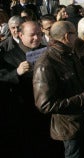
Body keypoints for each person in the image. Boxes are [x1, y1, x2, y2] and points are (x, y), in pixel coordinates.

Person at [33, 21, 84, 158]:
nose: (77, 38)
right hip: (69, 128)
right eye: (74, 34)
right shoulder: (46, 63)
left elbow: (79, 81)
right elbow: (45, 105)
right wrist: (82, 98)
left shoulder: (69, 54)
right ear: (66, 36)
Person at [0, 21, 52, 158]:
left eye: (39, 34)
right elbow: (3, 79)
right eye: (32, 35)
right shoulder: (8, 56)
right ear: (20, 35)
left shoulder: (48, 51)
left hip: (49, 109)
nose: (36, 38)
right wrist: (16, 72)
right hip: (25, 112)